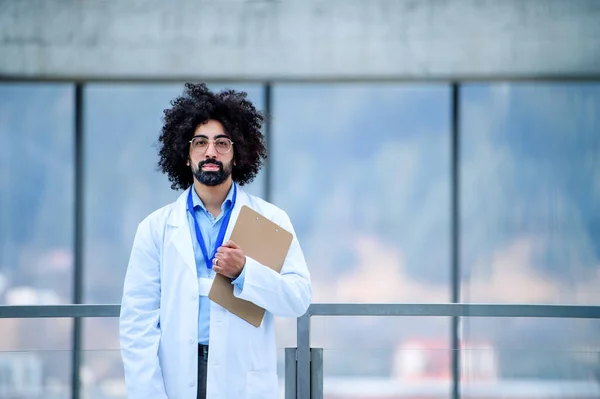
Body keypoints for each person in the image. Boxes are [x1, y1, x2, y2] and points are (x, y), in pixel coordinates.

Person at [119, 83, 312, 399]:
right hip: (177, 375)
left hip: (241, 378)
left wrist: (245, 272)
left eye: (222, 143)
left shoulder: (270, 221)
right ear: (186, 155)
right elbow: (137, 324)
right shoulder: (155, 229)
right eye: (200, 143)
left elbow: (298, 298)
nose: (210, 151)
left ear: (238, 156)